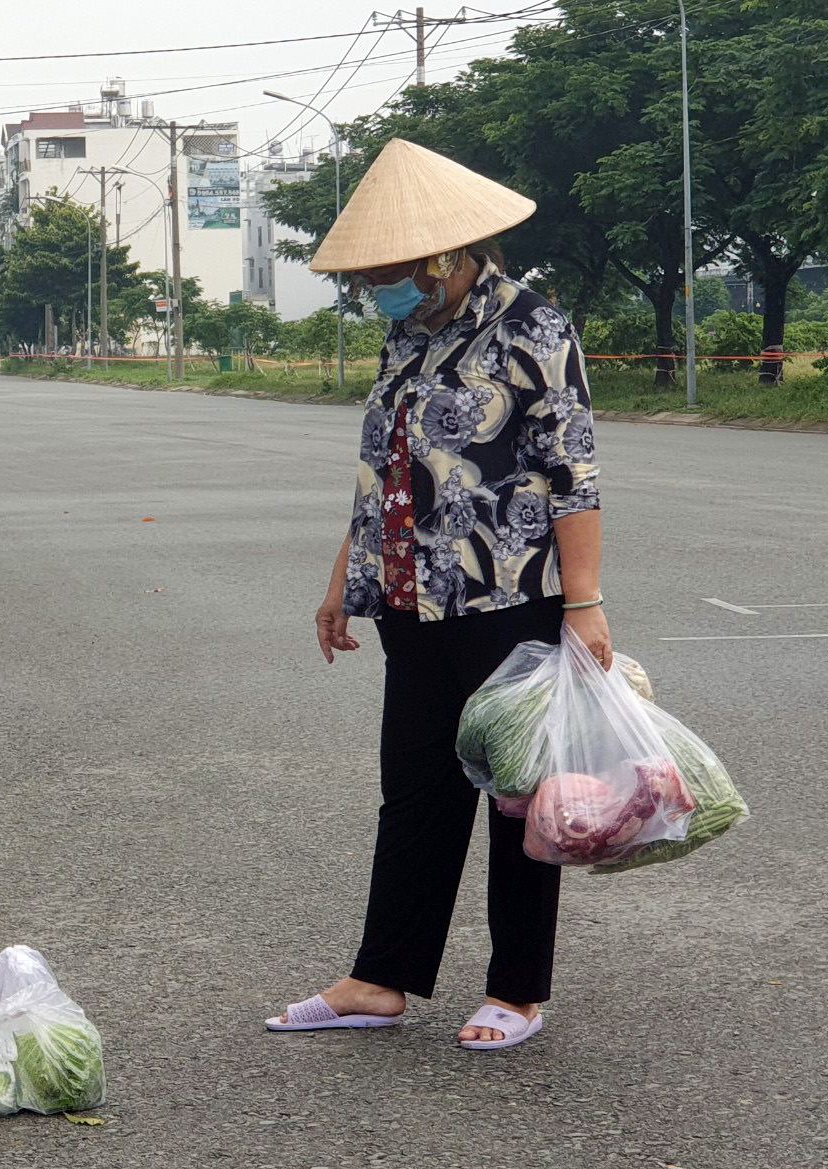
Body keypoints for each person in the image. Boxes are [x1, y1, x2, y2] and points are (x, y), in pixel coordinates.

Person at [266, 140, 607, 1052]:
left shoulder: (533, 327)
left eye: (385, 272)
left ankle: (517, 991)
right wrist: (343, 580)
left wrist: (584, 603)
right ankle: (381, 978)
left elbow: (571, 474)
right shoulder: (408, 335)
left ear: (445, 259)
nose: (373, 287)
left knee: (517, 797)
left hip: (510, 600)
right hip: (410, 602)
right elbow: (387, 472)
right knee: (414, 791)